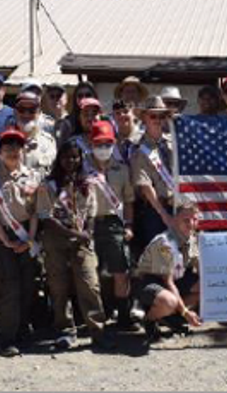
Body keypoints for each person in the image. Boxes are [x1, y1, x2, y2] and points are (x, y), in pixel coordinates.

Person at [36, 140, 117, 351]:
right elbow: (46, 217)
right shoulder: (48, 185)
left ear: (80, 159)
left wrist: (87, 233)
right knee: (59, 287)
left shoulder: (87, 184)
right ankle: (65, 330)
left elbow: (91, 212)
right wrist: (74, 234)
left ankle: (98, 331)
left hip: (82, 241)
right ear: (58, 159)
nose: (70, 161)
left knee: (90, 285)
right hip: (56, 240)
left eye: (74, 157)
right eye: (65, 157)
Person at [0, 128, 42, 357]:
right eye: (7, 148)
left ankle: (22, 329)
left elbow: (35, 211)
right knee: (9, 286)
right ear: (0, 152)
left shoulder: (33, 177)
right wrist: (4, 239)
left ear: (23, 151)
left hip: (27, 235)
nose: (13, 152)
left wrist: (30, 238)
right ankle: (6, 338)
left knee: (28, 284)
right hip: (1, 236)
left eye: (17, 147)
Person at [88, 121, 137, 329]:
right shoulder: (82, 167)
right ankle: (100, 314)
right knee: (93, 273)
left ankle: (124, 315)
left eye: (107, 144)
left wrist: (129, 225)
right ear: (91, 144)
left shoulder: (122, 169)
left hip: (115, 224)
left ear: (114, 143)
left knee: (121, 271)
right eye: (99, 144)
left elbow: (128, 200)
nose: (103, 148)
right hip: (89, 225)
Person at [135, 203, 202, 343]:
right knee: (169, 301)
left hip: (175, 280)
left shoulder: (191, 239)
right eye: (186, 220)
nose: (191, 224)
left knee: (204, 287)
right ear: (176, 219)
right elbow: (168, 281)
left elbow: (197, 266)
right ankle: (150, 320)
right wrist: (185, 312)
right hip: (150, 282)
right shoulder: (165, 243)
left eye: (195, 219)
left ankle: (169, 319)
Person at [131, 96, 178, 247]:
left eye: (161, 116)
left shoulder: (174, 142)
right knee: (159, 258)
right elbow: (146, 188)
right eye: (153, 116)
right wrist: (165, 216)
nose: (157, 119)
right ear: (144, 118)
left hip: (178, 207)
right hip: (157, 211)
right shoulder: (139, 150)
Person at [0, 91, 58, 177]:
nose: (26, 114)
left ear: (39, 113)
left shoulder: (49, 143)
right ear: (15, 112)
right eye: (22, 109)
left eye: (32, 110)